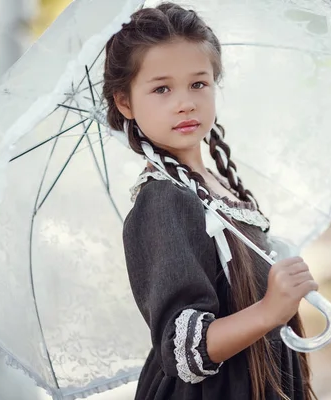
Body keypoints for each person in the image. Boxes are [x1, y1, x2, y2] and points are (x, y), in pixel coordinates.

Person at [103, 3, 319, 399]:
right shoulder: (164, 200)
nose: (185, 102)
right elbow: (182, 350)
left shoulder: (219, 187)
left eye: (198, 84)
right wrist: (270, 309)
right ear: (125, 102)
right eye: (162, 88)